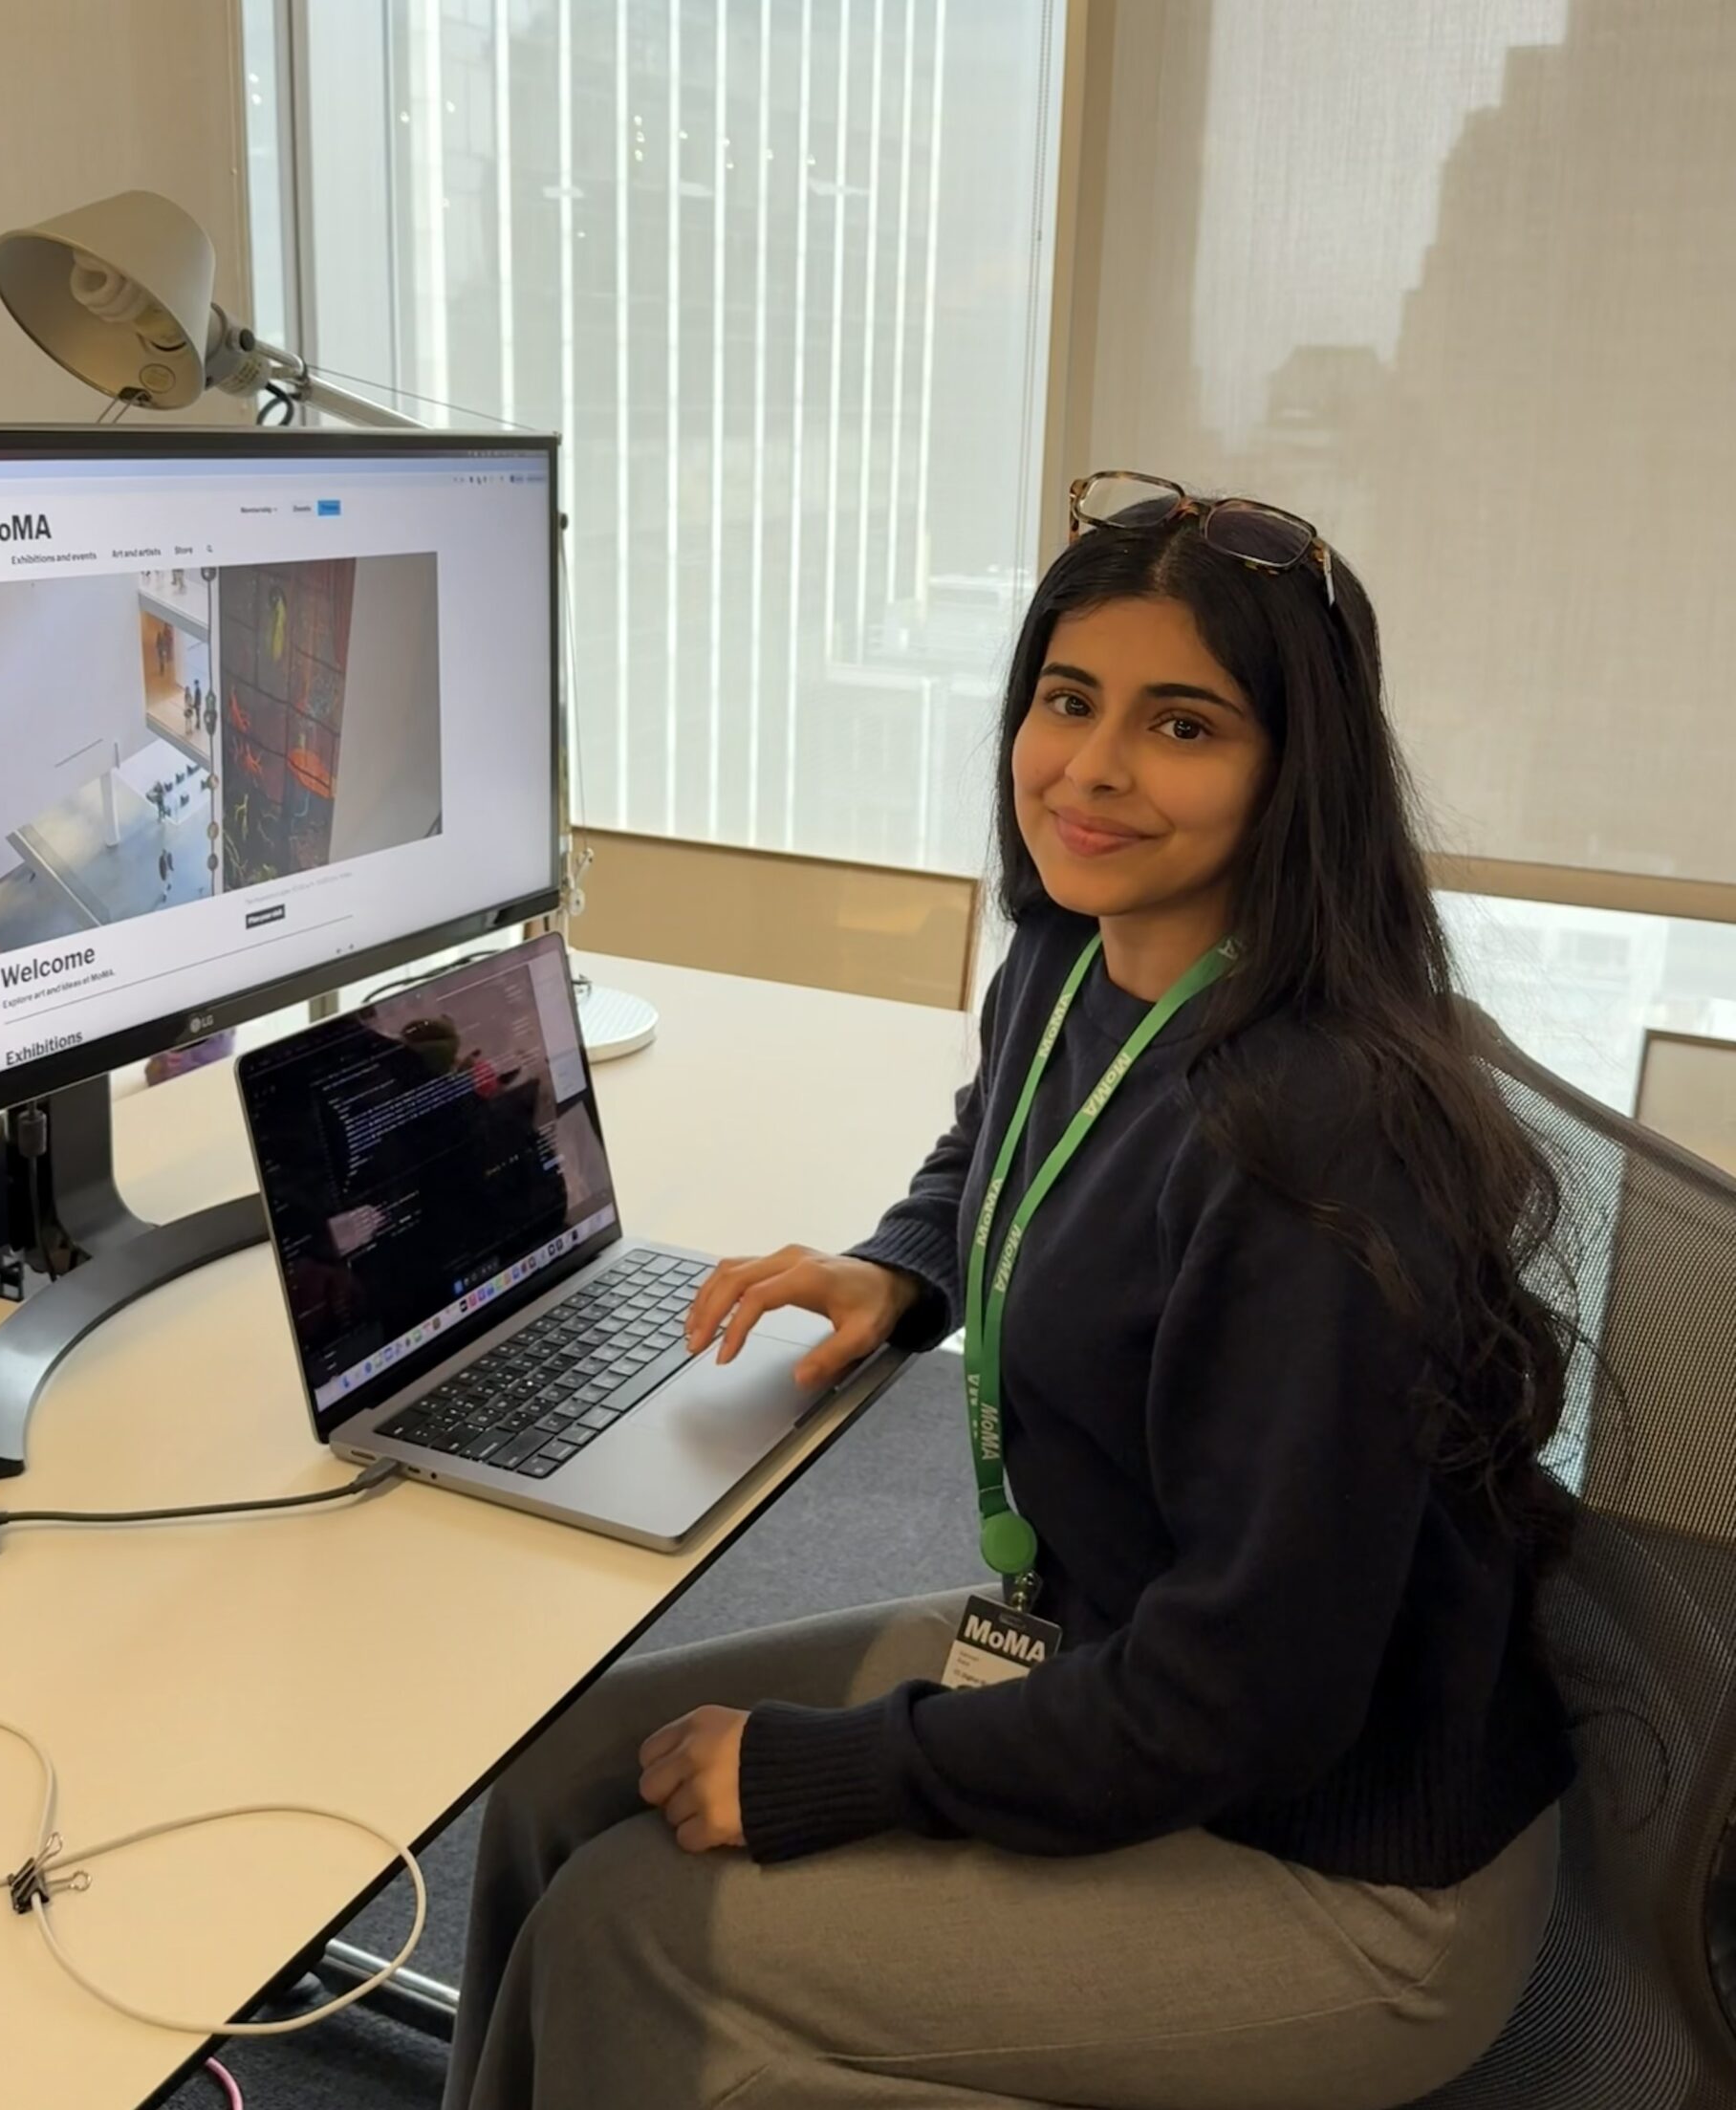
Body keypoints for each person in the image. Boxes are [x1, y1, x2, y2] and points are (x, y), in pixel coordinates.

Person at [443, 473, 1576, 2110]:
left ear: (1294, 768)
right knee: (565, 1779)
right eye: (1068, 699)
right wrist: (900, 1268)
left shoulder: (1315, 1145)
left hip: (1338, 1864)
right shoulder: (1076, 948)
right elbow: (1001, 1146)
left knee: (631, 1926)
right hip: (1112, 1647)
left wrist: (846, 1770)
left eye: (1184, 726)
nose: (1093, 771)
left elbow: (1238, 1701)